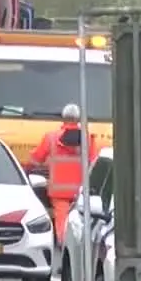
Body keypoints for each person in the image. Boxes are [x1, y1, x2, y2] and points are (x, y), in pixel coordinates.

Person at [27, 103, 88, 240]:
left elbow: (36, 159)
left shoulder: (51, 138)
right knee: (81, 223)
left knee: (62, 223)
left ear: (63, 117)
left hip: (59, 191)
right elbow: (94, 162)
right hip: (81, 191)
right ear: (78, 118)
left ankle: (63, 246)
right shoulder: (88, 139)